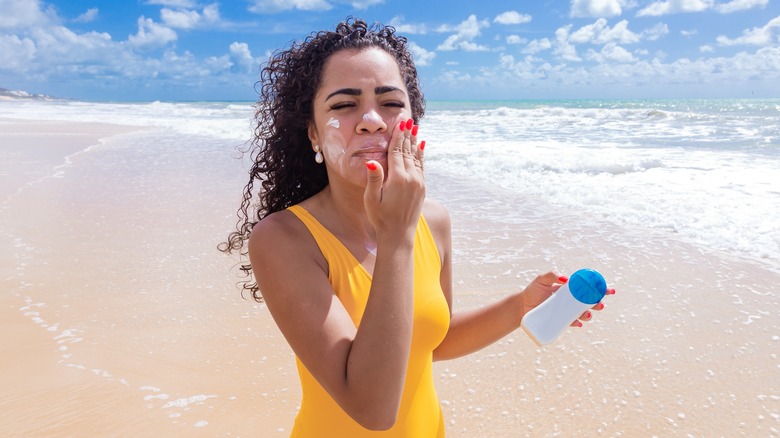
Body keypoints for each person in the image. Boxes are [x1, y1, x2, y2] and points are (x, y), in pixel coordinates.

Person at [220, 17, 614, 437]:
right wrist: (397, 238)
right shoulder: (285, 238)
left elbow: (430, 342)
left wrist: (518, 308)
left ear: (413, 121)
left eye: (390, 103)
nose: (372, 120)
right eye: (343, 105)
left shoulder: (433, 220)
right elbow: (371, 407)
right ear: (314, 134)